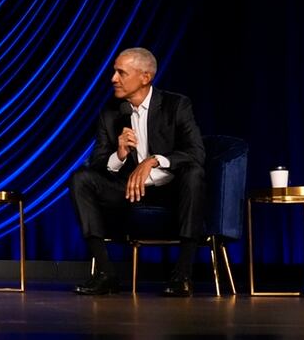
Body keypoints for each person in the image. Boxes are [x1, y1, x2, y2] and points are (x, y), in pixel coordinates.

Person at [69, 47, 205, 297]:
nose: (113, 78)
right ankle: (105, 273)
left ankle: (182, 275)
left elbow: (196, 152)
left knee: (194, 174)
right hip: (129, 191)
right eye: (114, 72)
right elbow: (97, 162)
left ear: (145, 77)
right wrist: (119, 154)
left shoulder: (176, 105)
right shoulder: (110, 112)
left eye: (121, 73)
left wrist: (153, 161)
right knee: (81, 179)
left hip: (170, 189)